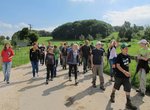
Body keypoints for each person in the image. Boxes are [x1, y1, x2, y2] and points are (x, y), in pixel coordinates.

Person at [110, 43, 137, 110]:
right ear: (122, 49)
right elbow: (117, 66)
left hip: (126, 76)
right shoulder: (119, 56)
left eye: (127, 48)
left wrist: (129, 72)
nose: (127, 49)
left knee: (128, 88)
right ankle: (112, 94)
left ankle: (128, 103)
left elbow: (128, 65)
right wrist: (124, 72)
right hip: (119, 75)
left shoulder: (128, 56)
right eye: (125, 48)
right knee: (116, 86)